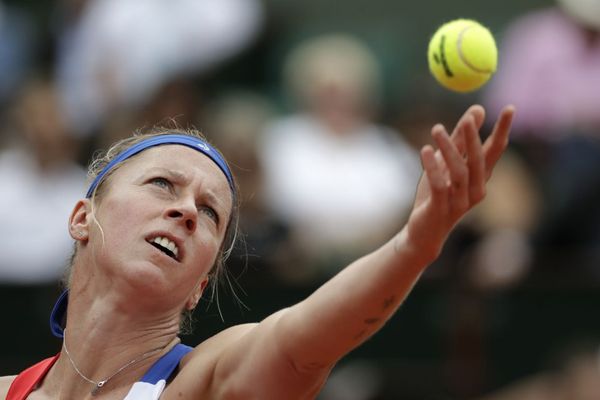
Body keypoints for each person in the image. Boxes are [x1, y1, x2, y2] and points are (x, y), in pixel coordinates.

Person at [0, 103, 514, 399]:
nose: (186, 212)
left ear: (199, 287)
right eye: (162, 184)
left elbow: (302, 341)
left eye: (210, 214)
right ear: (82, 217)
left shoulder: (203, 382)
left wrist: (413, 246)